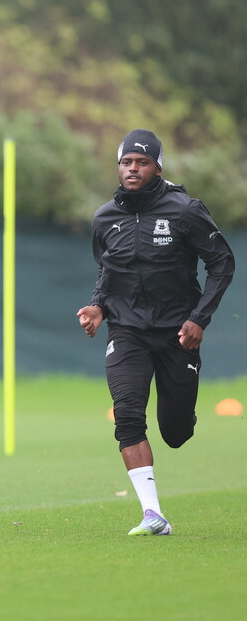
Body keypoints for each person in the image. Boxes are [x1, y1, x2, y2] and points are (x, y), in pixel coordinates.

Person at [77, 129, 234, 536]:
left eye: (142, 162)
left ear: (157, 167)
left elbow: (222, 263)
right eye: (126, 162)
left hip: (178, 333)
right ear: (118, 167)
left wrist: (199, 319)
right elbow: (107, 269)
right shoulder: (105, 217)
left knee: (175, 432)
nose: (133, 168)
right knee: (127, 414)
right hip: (126, 329)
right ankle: (153, 514)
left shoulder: (185, 210)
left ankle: (182, 412)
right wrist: (97, 305)